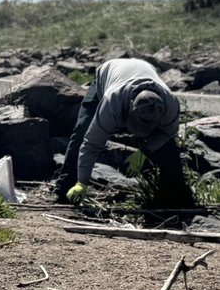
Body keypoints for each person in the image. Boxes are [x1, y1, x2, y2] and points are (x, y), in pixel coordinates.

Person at [55, 57, 195, 208]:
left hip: (144, 68)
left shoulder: (170, 105)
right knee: (83, 130)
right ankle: (65, 188)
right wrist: (82, 182)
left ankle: (176, 197)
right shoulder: (112, 101)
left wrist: (145, 151)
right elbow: (91, 144)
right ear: (129, 107)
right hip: (108, 73)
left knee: (167, 148)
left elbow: (167, 134)